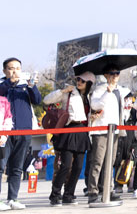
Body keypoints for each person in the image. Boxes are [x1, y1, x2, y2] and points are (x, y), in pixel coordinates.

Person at [43, 72, 95, 206]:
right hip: (70, 129)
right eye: (78, 79)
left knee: (78, 167)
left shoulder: (90, 97)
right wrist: (63, 91)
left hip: (83, 131)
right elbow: (47, 100)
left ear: (89, 83)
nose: (79, 82)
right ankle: (55, 195)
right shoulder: (69, 91)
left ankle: (69, 195)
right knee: (65, 166)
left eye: (82, 81)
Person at [0, 58, 41, 210]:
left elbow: (37, 100)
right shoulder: (3, 86)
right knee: (0, 166)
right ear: (5, 71)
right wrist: (10, 82)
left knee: (17, 168)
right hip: (4, 133)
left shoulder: (25, 86)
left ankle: (12, 198)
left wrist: (32, 86)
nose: (15, 71)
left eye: (18, 68)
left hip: (24, 132)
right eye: (11, 68)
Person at [86, 65, 127, 204]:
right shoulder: (100, 89)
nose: (115, 76)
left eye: (117, 73)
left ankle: (108, 189)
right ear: (105, 75)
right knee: (97, 161)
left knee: (111, 162)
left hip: (114, 131)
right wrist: (107, 93)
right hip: (101, 131)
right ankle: (92, 191)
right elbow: (95, 106)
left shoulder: (120, 90)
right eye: (112, 73)